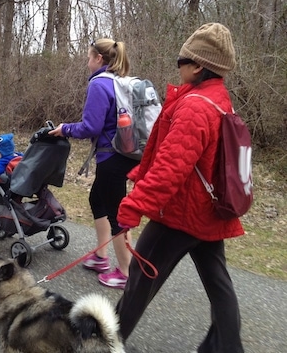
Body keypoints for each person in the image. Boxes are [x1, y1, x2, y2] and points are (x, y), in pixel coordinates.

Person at [116, 23, 244, 352]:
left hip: (181, 213)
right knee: (219, 284)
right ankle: (228, 347)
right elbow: (183, 155)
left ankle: (106, 340)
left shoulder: (196, 107)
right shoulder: (218, 99)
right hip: (208, 212)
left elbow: (172, 168)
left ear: (198, 65)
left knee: (139, 280)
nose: (179, 66)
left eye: (181, 60)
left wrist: (134, 206)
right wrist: (141, 171)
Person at [49, 39, 139, 289]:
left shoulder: (100, 83)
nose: (87, 62)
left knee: (116, 214)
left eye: (89, 57)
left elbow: (92, 127)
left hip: (113, 157)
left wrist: (64, 129)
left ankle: (125, 272)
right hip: (121, 153)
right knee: (97, 200)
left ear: (99, 59)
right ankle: (101, 257)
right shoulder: (121, 81)